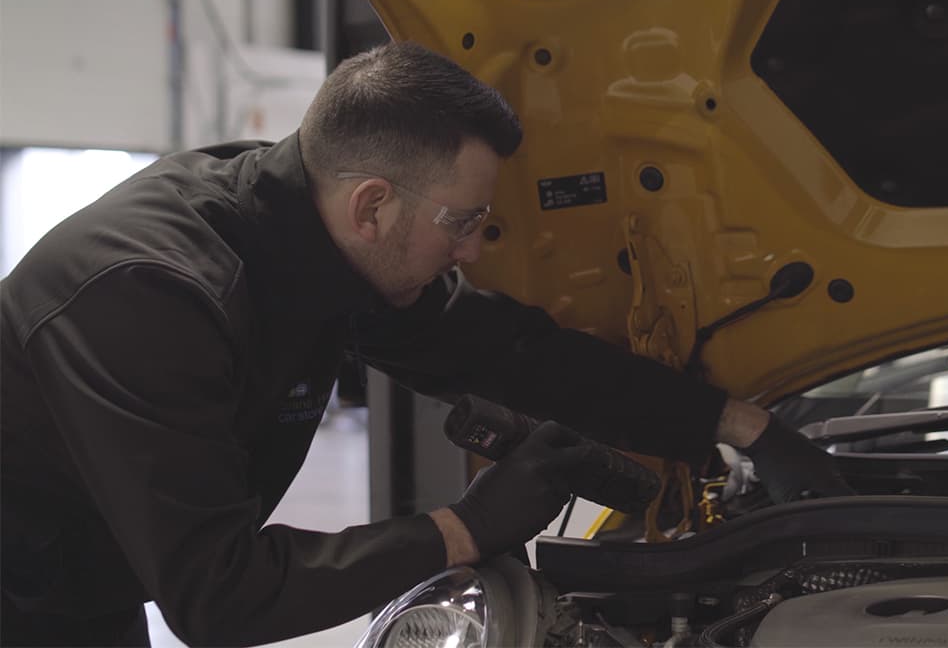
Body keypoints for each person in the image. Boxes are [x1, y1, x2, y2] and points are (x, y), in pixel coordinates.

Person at [0, 41, 849, 646]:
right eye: (466, 223)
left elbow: (515, 353)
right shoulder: (151, 294)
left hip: (84, 585)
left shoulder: (317, 230)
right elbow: (218, 596)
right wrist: (463, 526)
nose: (475, 250)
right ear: (374, 204)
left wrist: (744, 428)